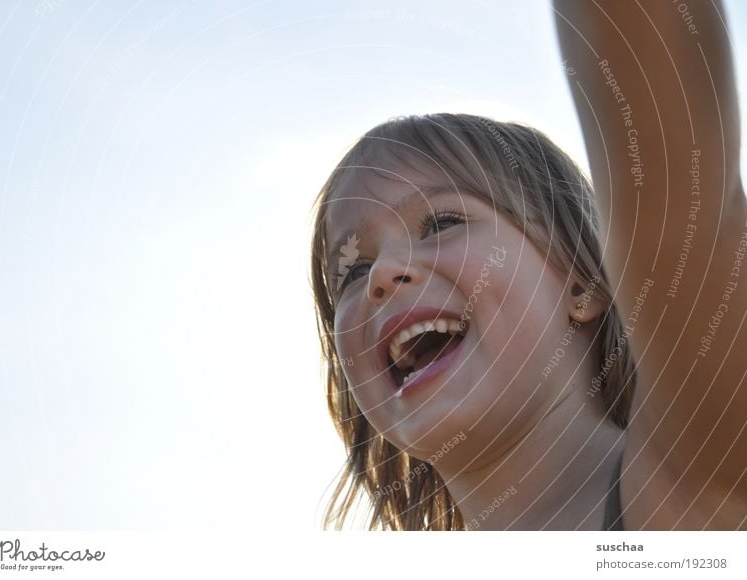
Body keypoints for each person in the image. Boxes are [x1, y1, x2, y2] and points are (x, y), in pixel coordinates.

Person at [310, 0, 746, 530]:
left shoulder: (691, 482)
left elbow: (686, 181)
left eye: (442, 224)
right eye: (352, 271)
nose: (381, 276)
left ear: (583, 284)